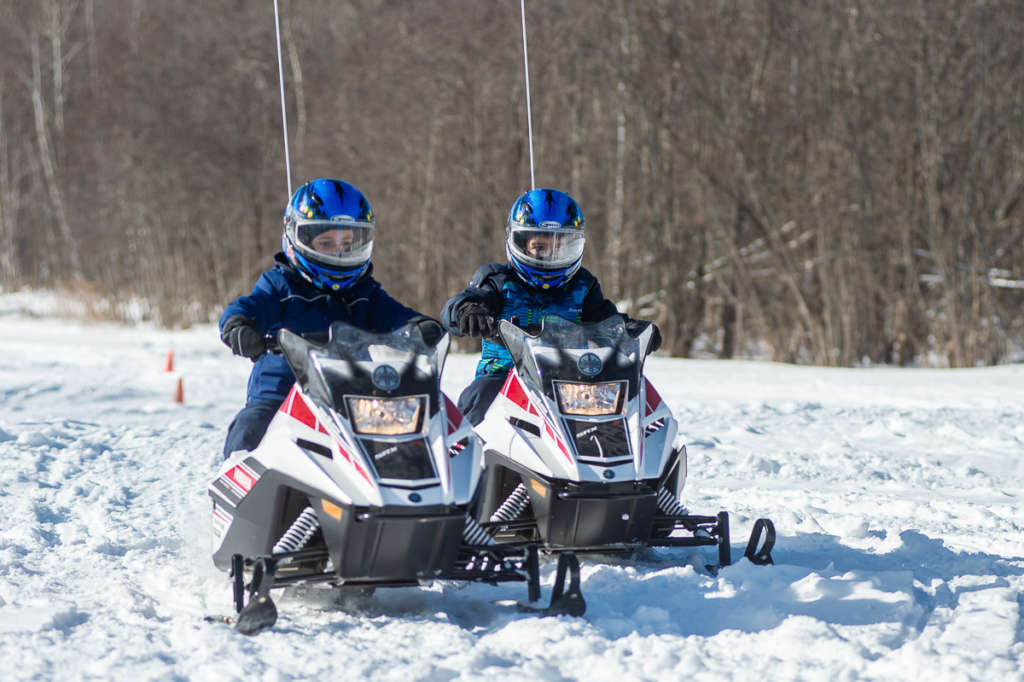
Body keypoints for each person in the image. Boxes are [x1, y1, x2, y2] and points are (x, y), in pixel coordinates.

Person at [219, 177, 442, 459]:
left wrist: (421, 327)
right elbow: (246, 307)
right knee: (251, 427)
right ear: (295, 236)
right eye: (326, 242)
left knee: (410, 434)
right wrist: (239, 326)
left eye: (348, 243)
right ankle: (239, 482)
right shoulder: (280, 285)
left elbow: (396, 316)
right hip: (283, 394)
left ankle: (418, 494)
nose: (338, 252)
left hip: (353, 397)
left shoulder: (364, 293)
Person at [441, 187, 661, 424]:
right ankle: (465, 450)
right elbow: (461, 302)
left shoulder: (582, 285)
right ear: (520, 242)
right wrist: (468, 311)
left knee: (619, 405)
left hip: (572, 383)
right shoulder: (498, 280)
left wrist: (629, 329)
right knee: (478, 399)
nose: (550, 256)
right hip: (505, 378)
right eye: (540, 247)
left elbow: (606, 319)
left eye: (560, 247)